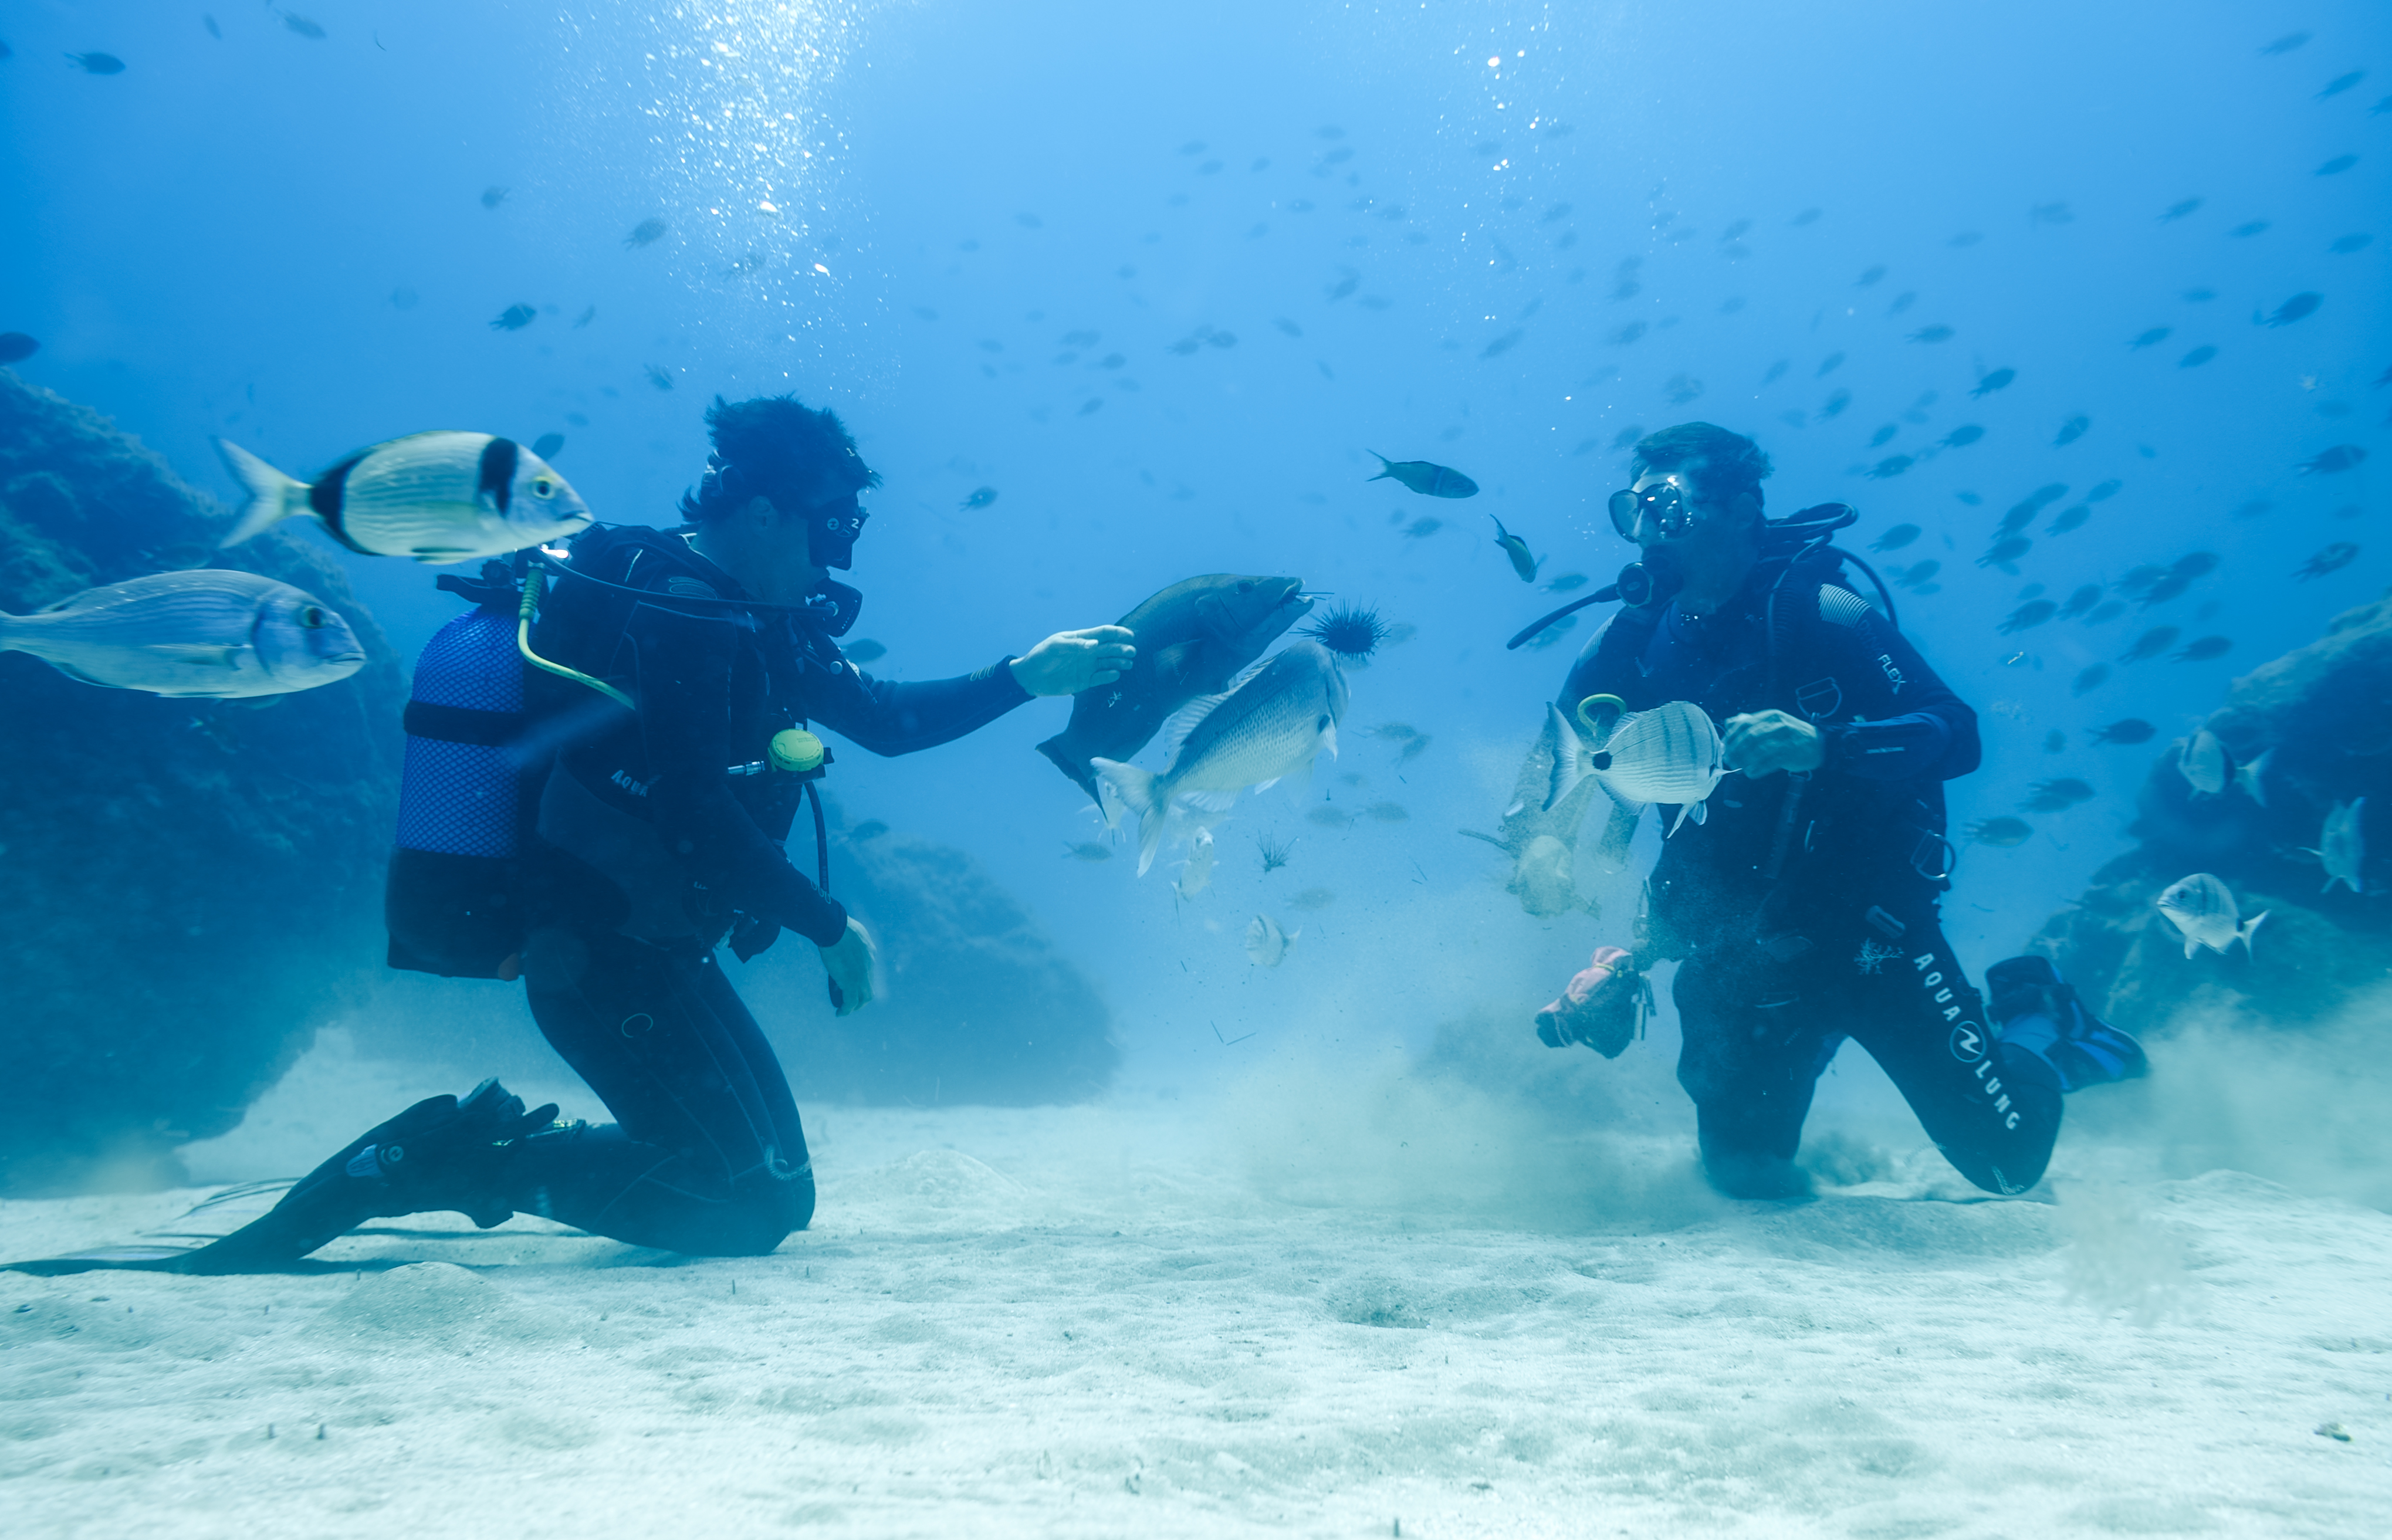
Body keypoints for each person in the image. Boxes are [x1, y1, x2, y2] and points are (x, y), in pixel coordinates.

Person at [190, 394, 1135, 1269]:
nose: (837, 558)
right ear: (764, 514)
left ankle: (486, 1142)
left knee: (777, 1195)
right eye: (833, 527)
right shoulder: (681, 614)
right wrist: (830, 928)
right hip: (592, 957)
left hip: (656, 951)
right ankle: (455, 1161)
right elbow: (698, 815)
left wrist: (1025, 673)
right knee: (745, 1205)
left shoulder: (753, 614)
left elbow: (882, 720)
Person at [1528, 422, 2143, 1200]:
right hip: (1738, 956)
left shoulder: (1823, 609)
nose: (1650, 532)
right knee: (1744, 1176)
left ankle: (2037, 1014)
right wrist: (1543, 839)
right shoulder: (1634, 639)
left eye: (1670, 507)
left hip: (1870, 935)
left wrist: (1827, 743)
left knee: (2005, 1163)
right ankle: (1806, 1038)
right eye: (1634, 510)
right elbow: (1560, 746)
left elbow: (1955, 732)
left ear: (1743, 508)